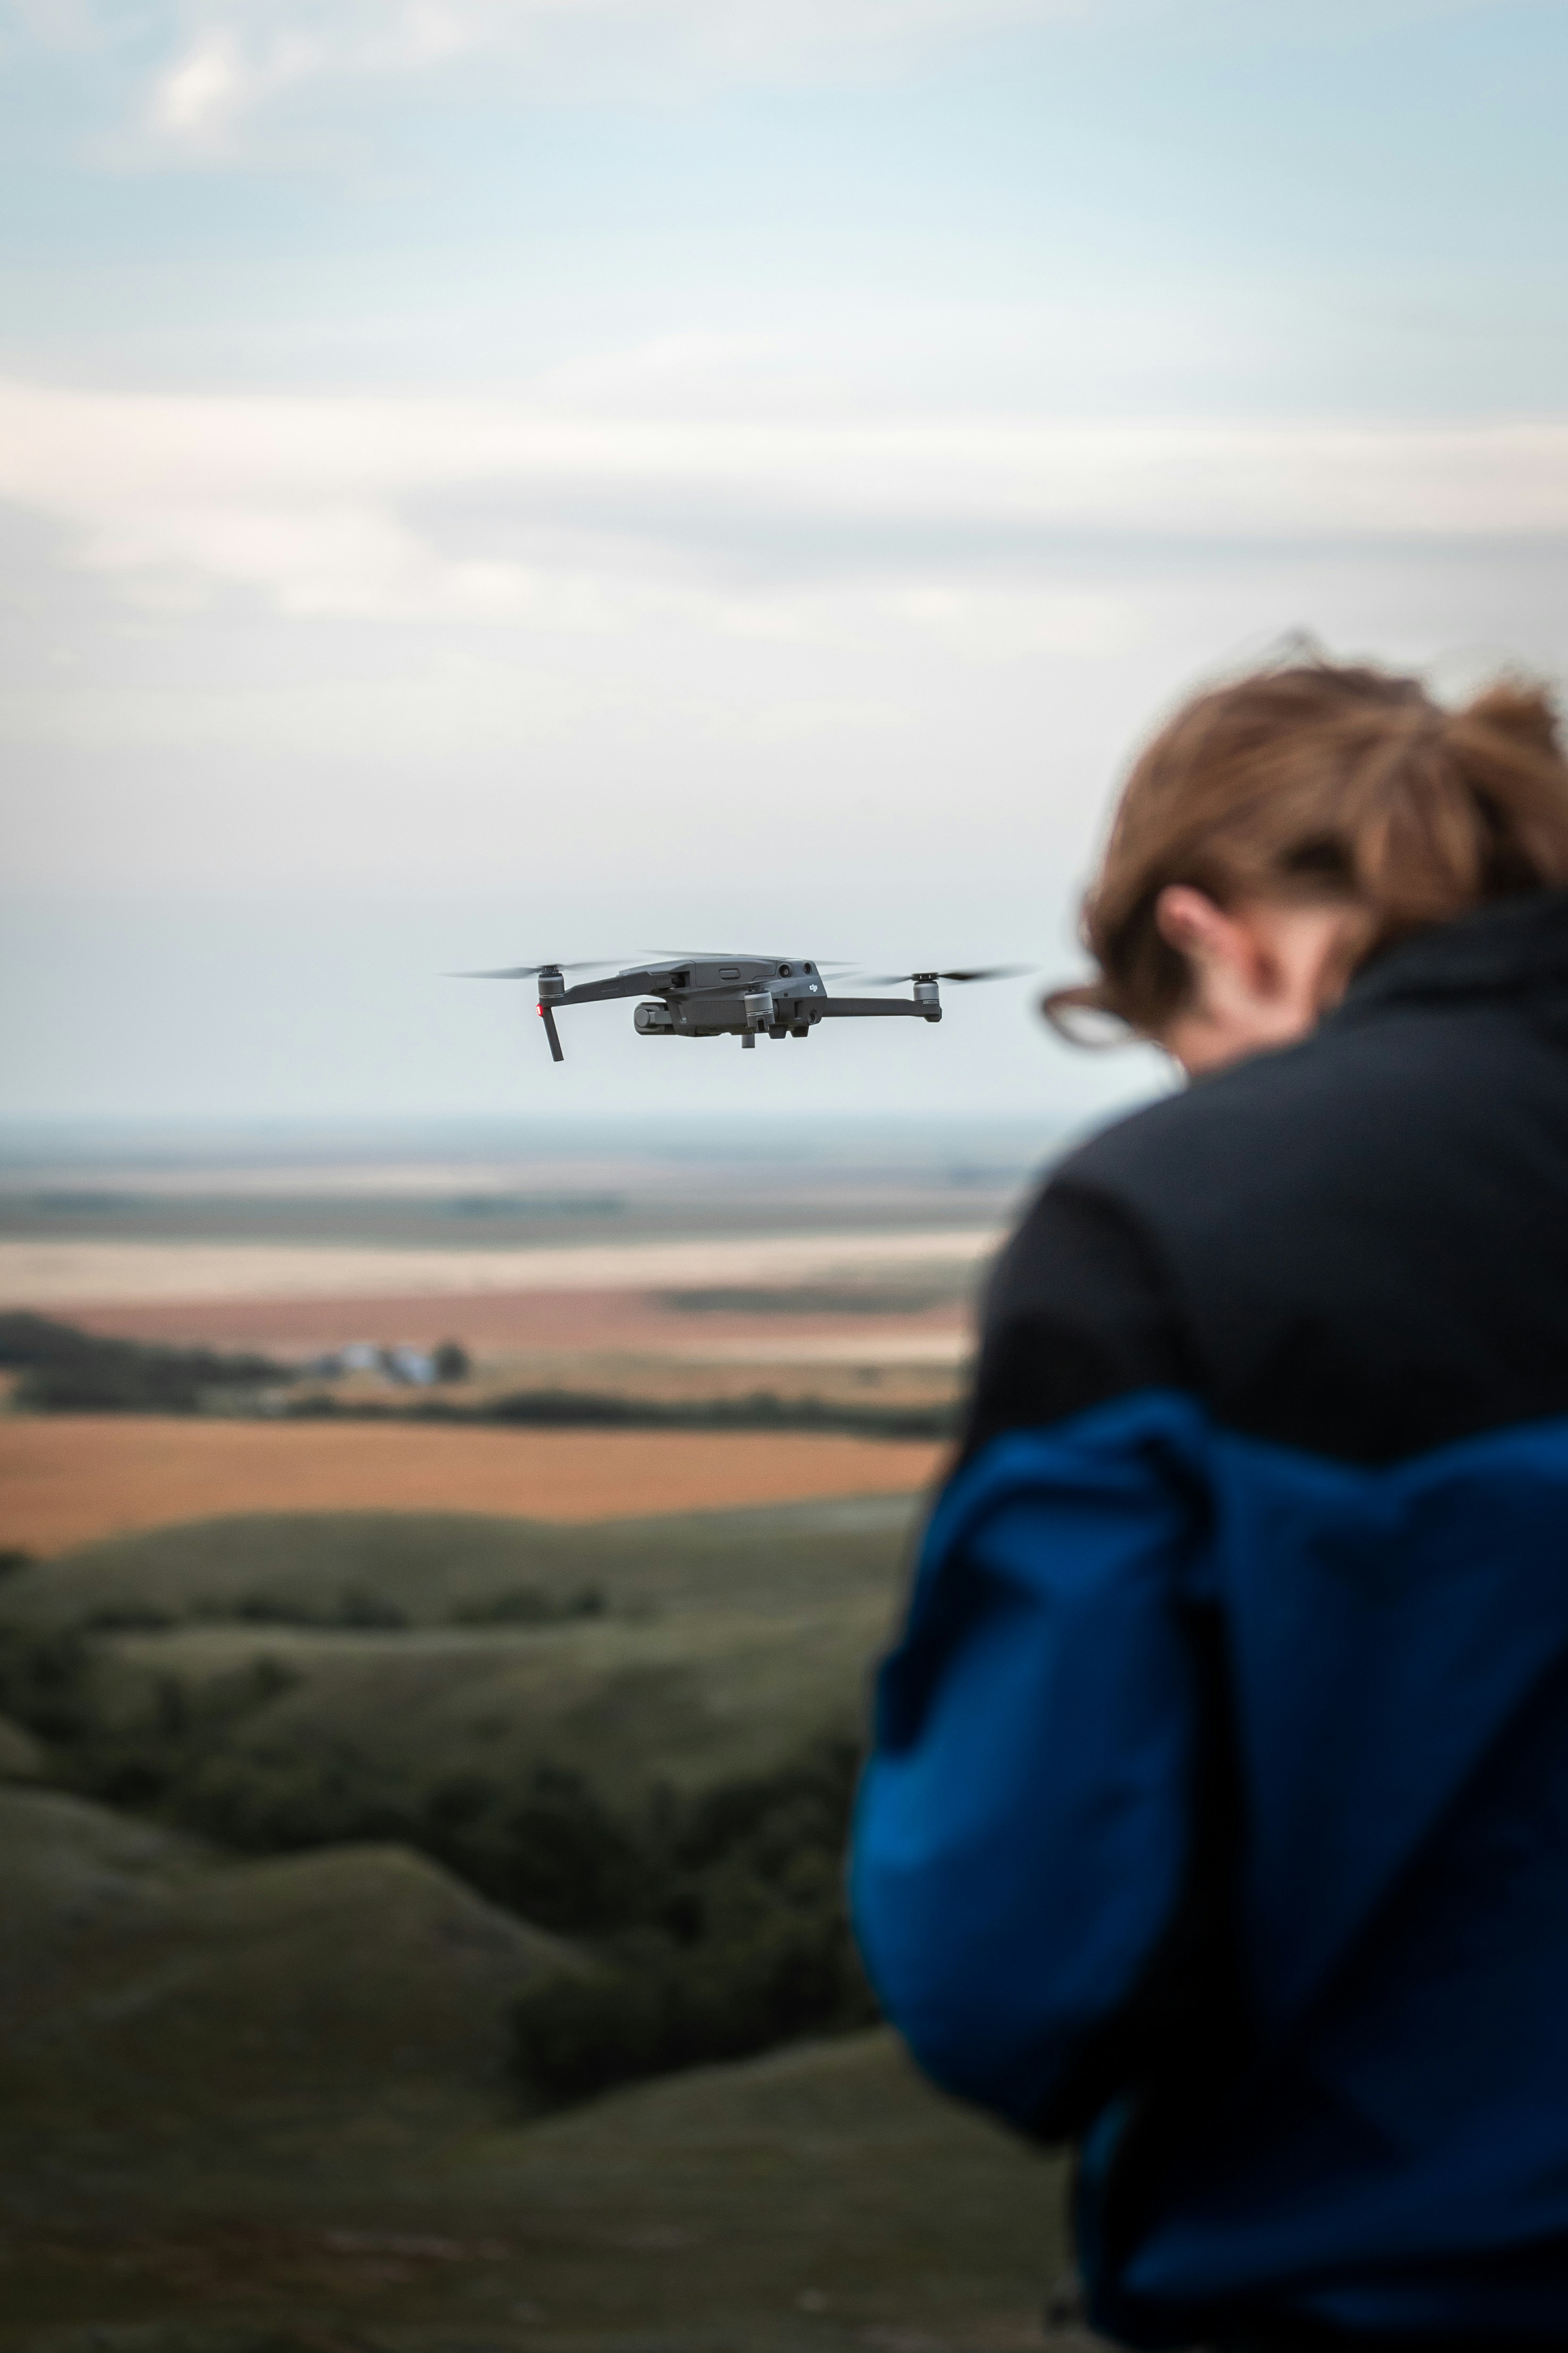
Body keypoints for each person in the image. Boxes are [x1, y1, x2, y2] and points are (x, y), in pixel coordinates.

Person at [850, 657, 1568, 2351]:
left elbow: (1013, 1957)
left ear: (1215, 937)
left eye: (1192, 1060)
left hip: (1370, 2275)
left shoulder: (1169, 1229)